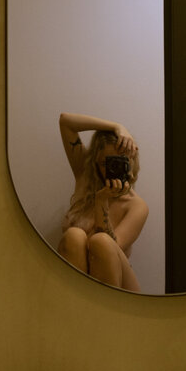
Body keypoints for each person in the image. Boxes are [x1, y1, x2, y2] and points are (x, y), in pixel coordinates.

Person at [57, 112, 149, 292]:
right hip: (78, 286)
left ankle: (104, 311)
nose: (110, 170)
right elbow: (66, 121)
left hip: (117, 285)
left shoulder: (136, 206)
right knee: (74, 235)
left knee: (101, 242)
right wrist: (117, 126)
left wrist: (101, 200)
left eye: (118, 162)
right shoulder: (85, 176)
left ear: (130, 161)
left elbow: (110, 249)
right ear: (94, 162)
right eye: (105, 163)